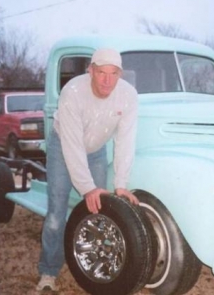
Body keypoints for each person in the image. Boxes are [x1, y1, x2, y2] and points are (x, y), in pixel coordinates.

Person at [36, 48, 139, 291]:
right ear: (90, 71)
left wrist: (121, 183)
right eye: (101, 72)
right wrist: (87, 187)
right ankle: (48, 271)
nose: (107, 80)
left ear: (120, 74)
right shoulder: (72, 91)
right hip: (63, 146)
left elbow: (125, 140)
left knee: (98, 212)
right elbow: (72, 145)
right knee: (56, 213)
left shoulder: (128, 95)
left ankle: (96, 267)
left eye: (113, 73)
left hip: (96, 149)